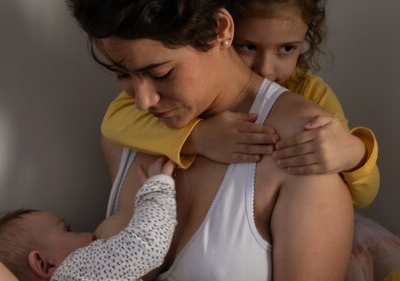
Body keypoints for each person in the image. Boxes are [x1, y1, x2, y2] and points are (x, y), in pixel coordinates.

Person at [69, 0, 354, 280]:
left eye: (162, 74)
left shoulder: (305, 149)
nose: (143, 101)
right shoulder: (125, 136)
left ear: (220, 30)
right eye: (122, 74)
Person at [100, 0, 379, 208]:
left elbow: (364, 198)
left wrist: (355, 154)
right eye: (248, 46)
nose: (266, 68)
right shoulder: (169, 95)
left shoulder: (310, 95)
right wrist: (198, 137)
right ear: (223, 35)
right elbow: (113, 122)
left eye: (287, 48)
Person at [0, 157, 177, 281]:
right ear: (44, 264)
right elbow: (146, 245)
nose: (88, 234)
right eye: (67, 229)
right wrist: (157, 188)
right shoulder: (77, 271)